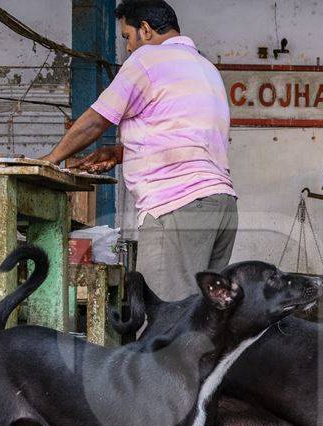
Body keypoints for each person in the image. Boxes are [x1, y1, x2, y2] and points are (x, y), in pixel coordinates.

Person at [41, 0, 236, 300]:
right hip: (221, 206)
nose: (129, 48)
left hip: (177, 205)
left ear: (145, 30)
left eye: (127, 38)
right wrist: (120, 153)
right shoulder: (206, 67)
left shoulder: (148, 59)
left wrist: (50, 161)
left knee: (164, 320)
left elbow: (96, 121)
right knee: (199, 319)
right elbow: (182, 135)